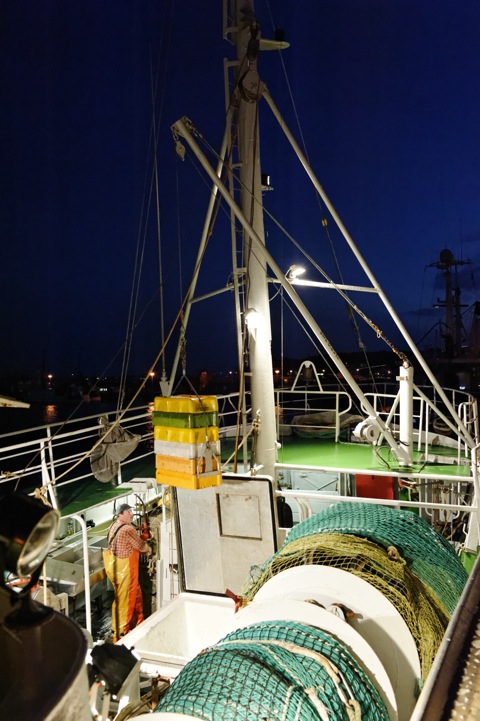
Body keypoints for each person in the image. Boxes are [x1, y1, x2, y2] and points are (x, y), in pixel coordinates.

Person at [103, 503, 152, 641]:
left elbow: (128, 542)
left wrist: (142, 536)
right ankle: (120, 637)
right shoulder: (128, 529)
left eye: (131, 511)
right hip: (126, 570)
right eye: (129, 511)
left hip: (115, 568)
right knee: (126, 602)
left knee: (132, 596)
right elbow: (141, 546)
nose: (132, 513)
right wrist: (149, 549)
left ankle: (137, 625)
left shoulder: (114, 525)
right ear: (120, 514)